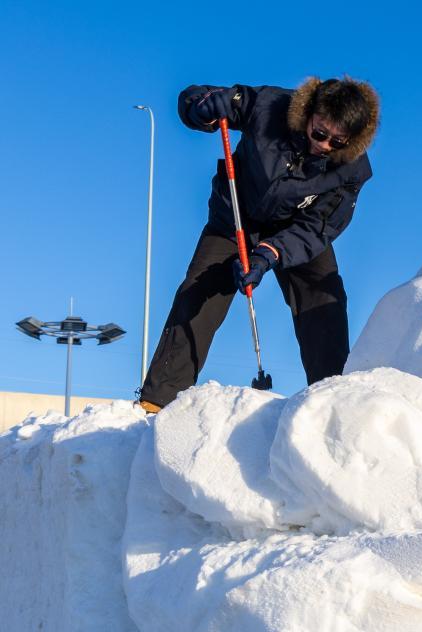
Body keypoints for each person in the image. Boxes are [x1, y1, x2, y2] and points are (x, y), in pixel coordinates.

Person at [136, 76, 380, 413]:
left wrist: (270, 253)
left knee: (323, 298)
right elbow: (201, 99)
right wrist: (203, 106)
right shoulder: (271, 106)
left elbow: (319, 227)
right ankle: (156, 401)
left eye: (336, 142)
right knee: (199, 292)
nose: (324, 145)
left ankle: (333, 406)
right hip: (237, 216)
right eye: (320, 133)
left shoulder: (352, 169)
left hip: (298, 229)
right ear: (308, 113)